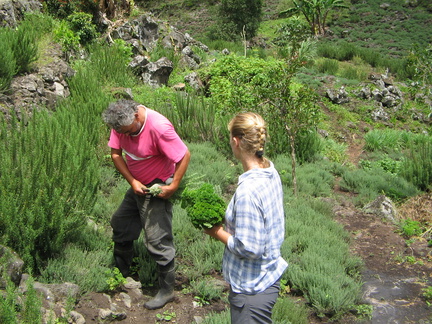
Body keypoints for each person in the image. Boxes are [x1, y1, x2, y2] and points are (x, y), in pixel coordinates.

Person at [102, 99, 190, 310]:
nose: (120, 133)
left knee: (157, 239)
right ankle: (121, 272)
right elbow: (116, 154)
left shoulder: (158, 127)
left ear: (136, 117)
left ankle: (167, 290)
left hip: (157, 186)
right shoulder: (120, 122)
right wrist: (132, 181)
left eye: (124, 130)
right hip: (138, 185)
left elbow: (184, 155)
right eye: (118, 130)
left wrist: (173, 186)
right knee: (120, 223)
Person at [204, 112, 287, 324]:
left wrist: (216, 232)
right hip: (268, 275)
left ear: (236, 141)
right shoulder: (269, 169)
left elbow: (250, 248)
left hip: (252, 288)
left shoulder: (248, 191)